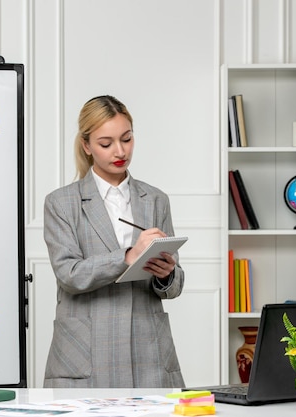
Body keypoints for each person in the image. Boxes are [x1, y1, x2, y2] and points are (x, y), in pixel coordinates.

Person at [43, 95, 185, 388]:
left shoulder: (156, 200)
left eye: (127, 139)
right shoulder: (60, 203)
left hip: (147, 350)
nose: (120, 151)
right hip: (85, 352)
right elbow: (69, 275)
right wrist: (129, 256)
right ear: (87, 146)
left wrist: (167, 274)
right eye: (106, 144)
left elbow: (174, 285)